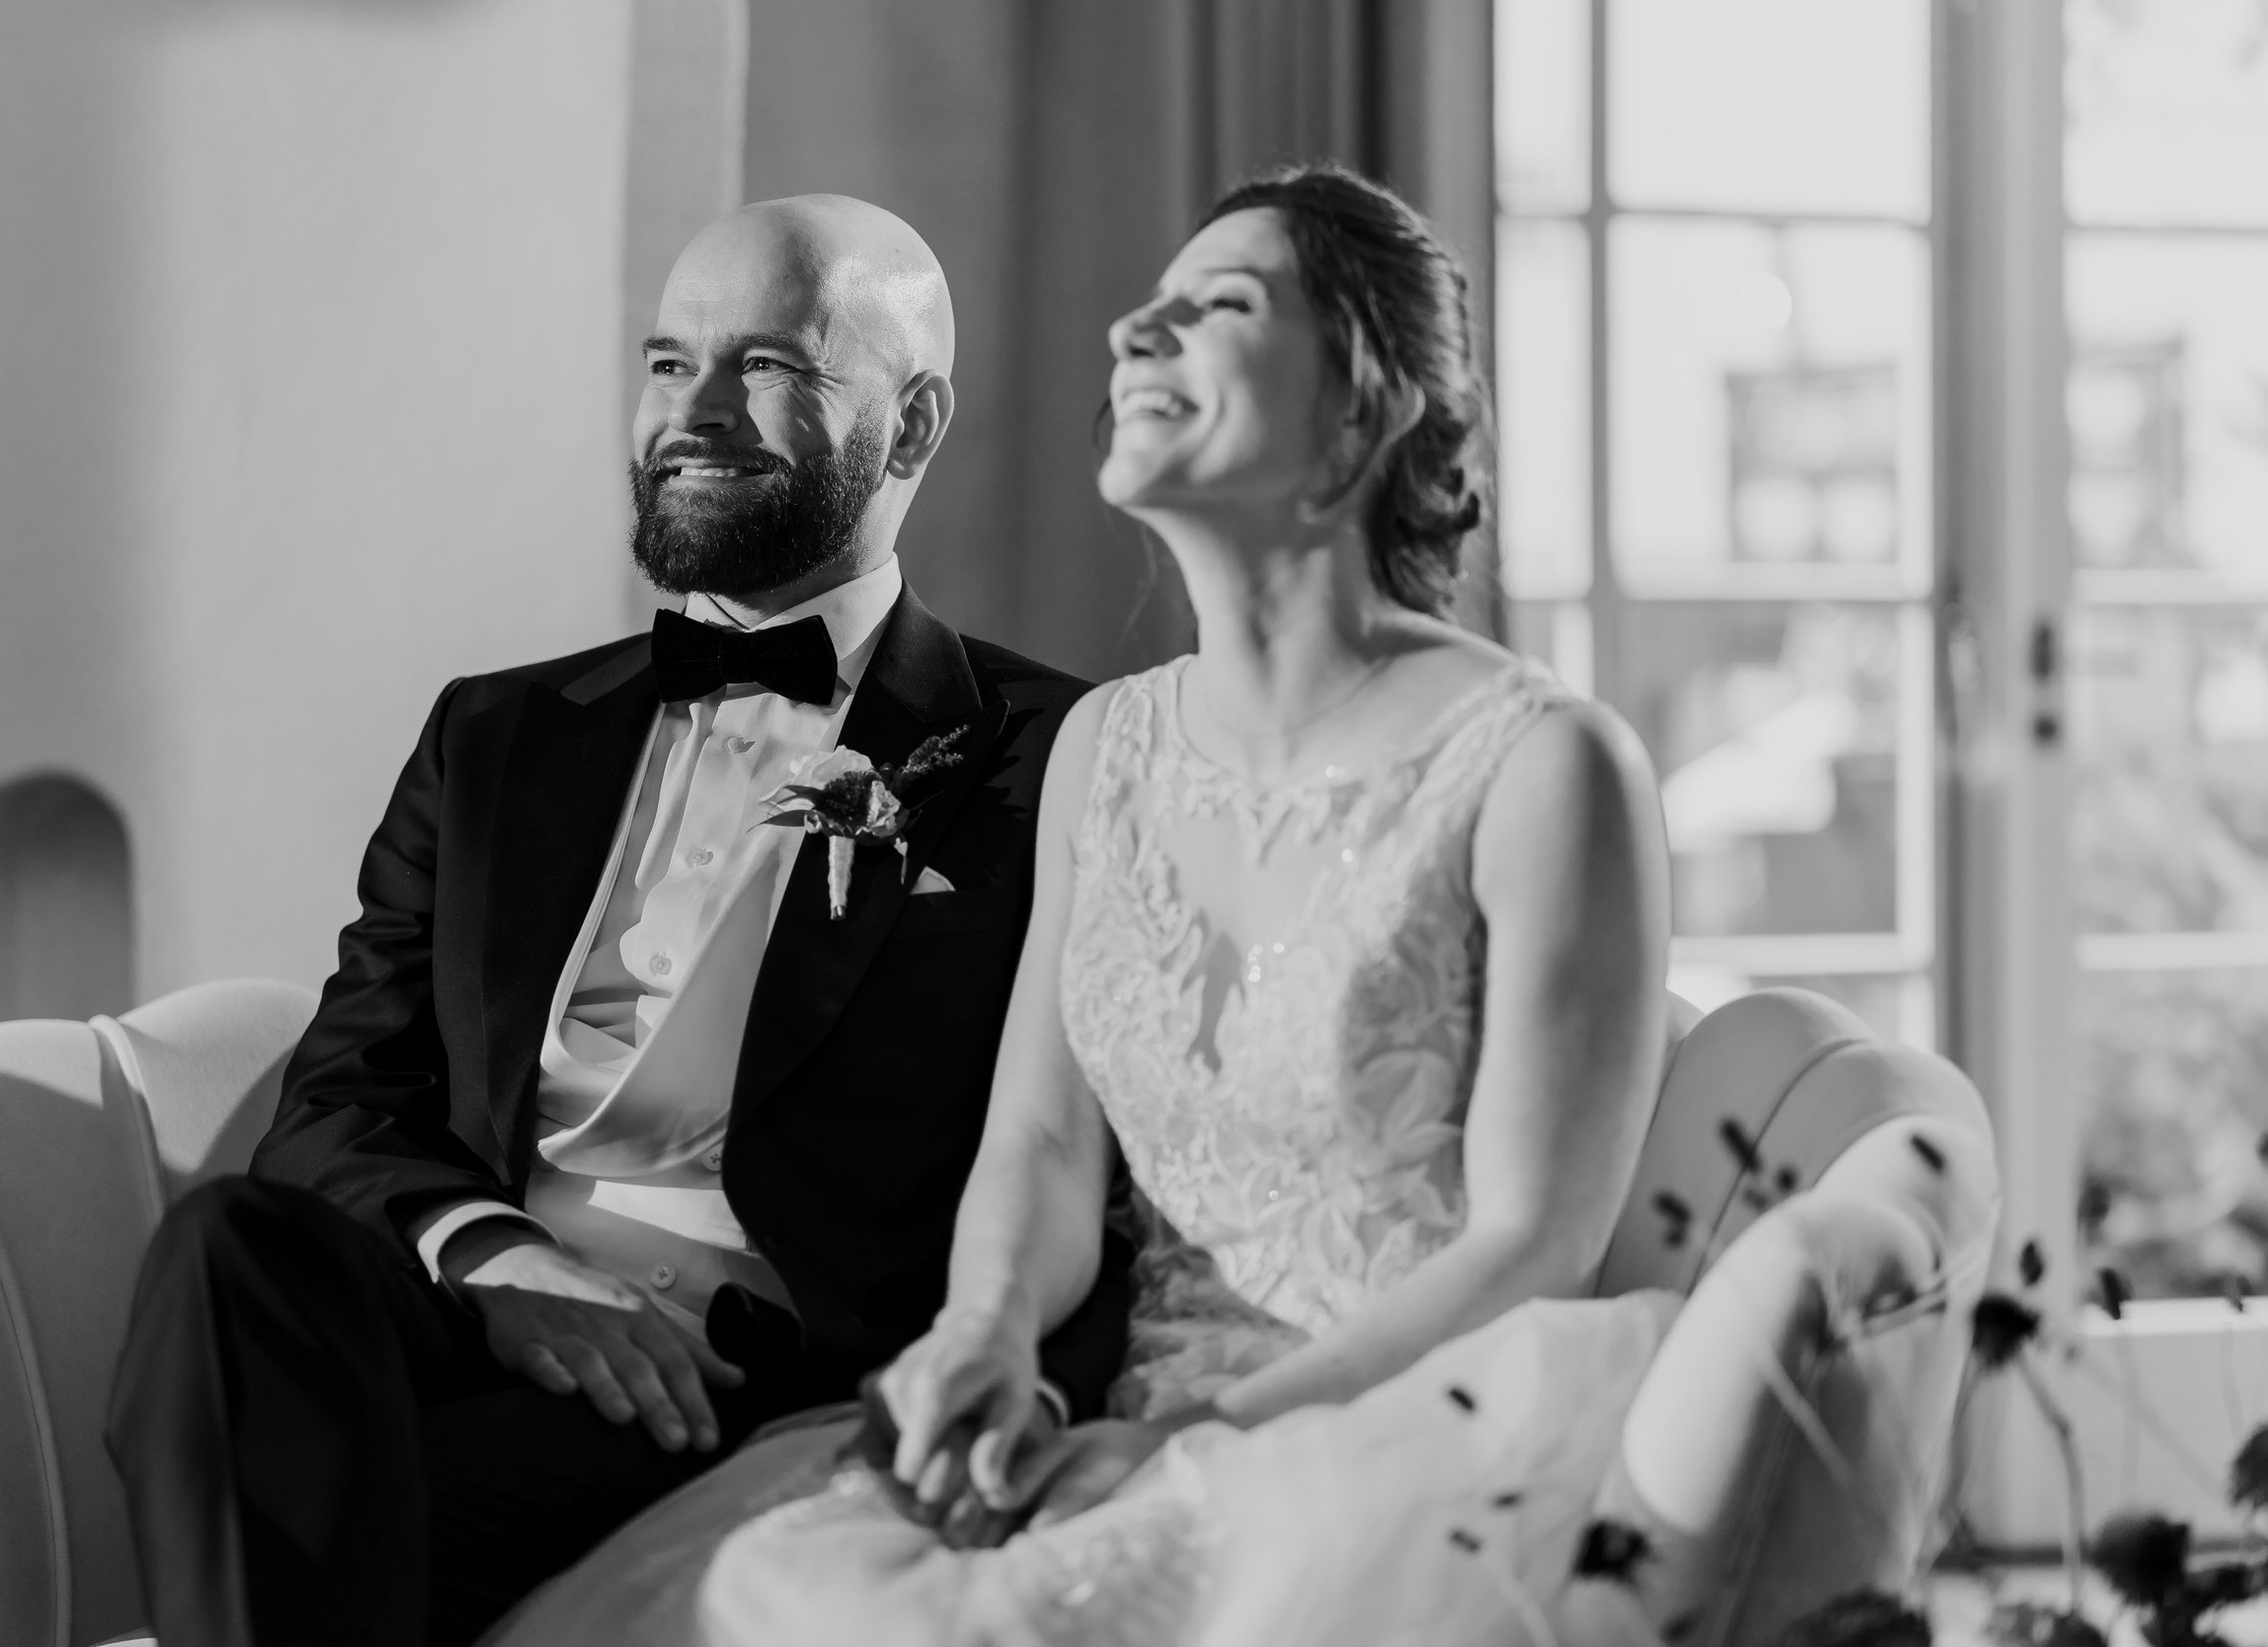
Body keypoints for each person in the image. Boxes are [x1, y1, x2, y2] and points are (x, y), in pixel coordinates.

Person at [102, 194, 1131, 1647]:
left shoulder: (1060, 755)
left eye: (762, 366)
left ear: (911, 425)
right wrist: (500, 1260)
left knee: (338, 1532)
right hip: (467, 1308)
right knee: (230, 1248)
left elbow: (1106, 1171)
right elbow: (338, 1105)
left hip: (746, 1381)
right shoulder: (493, 734)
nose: (692, 412)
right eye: (666, 362)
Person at [686, 162, 1680, 1645]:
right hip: (1134, 1416)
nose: (1133, 332)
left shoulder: (1547, 767)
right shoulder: (1110, 746)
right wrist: (986, 1333)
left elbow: (1536, 1246)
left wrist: (1202, 1449)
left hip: (1416, 1446)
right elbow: (1042, 1143)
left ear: (1369, 404)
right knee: (778, 1588)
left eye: (1221, 306)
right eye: (1148, 305)